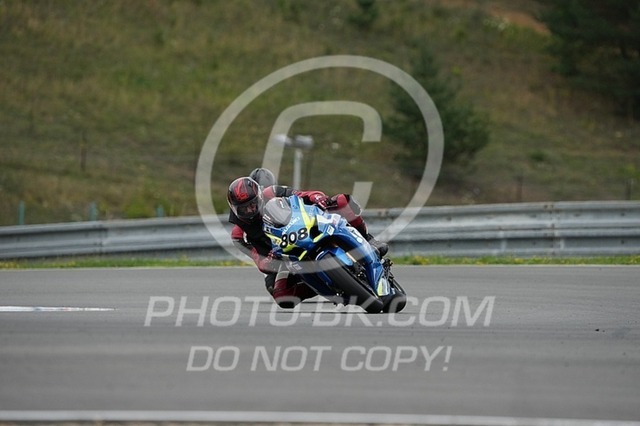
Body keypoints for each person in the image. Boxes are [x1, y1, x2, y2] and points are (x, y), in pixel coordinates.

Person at [227, 170, 387, 308]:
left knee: (342, 201)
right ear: (234, 209)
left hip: (301, 229)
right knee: (282, 297)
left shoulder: (272, 193)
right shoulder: (239, 234)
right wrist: (269, 261)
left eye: (252, 204)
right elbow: (258, 260)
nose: (250, 210)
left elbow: (302, 195)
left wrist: (318, 198)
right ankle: (331, 286)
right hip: (282, 256)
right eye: (244, 209)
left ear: (259, 196)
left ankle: (369, 240)